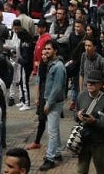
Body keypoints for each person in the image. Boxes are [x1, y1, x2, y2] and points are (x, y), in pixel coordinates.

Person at [74, 69, 104, 174]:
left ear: (100, 84)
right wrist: (78, 116)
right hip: (84, 141)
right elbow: (75, 114)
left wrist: (95, 122)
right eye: (88, 82)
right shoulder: (81, 96)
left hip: (99, 143)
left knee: (101, 169)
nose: (90, 84)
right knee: (81, 170)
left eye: (93, 83)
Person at [39, 39, 66, 171]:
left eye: (49, 49)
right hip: (52, 101)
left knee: (52, 131)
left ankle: (50, 158)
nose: (46, 51)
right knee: (54, 129)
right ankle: (57, 153)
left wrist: (48, 103)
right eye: (46, 49)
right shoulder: (52, 64)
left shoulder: (58, 66)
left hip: (54, 102)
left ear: (55, 51)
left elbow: (57, 87)